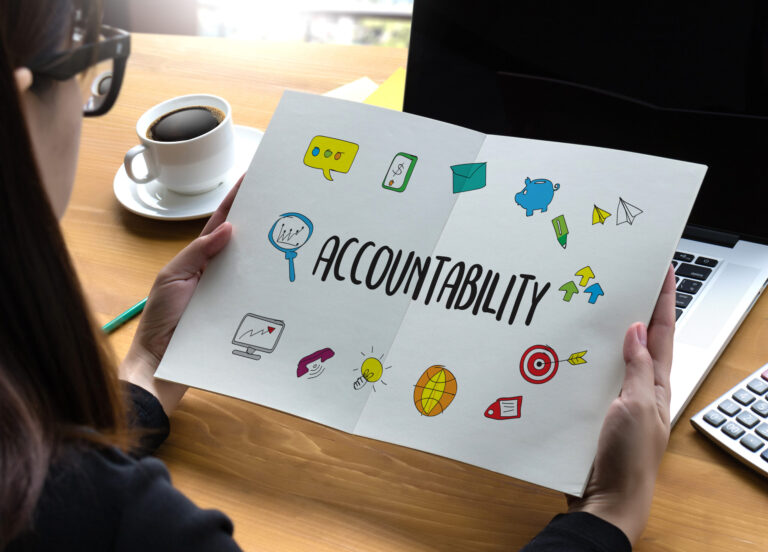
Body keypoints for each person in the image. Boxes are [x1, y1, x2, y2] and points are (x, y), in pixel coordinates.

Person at [0, 1, 676, 550]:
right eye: (86, 53)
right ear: (20, 94)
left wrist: (146, 370)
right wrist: (607, 518)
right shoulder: (116, 519)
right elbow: (78, 498)